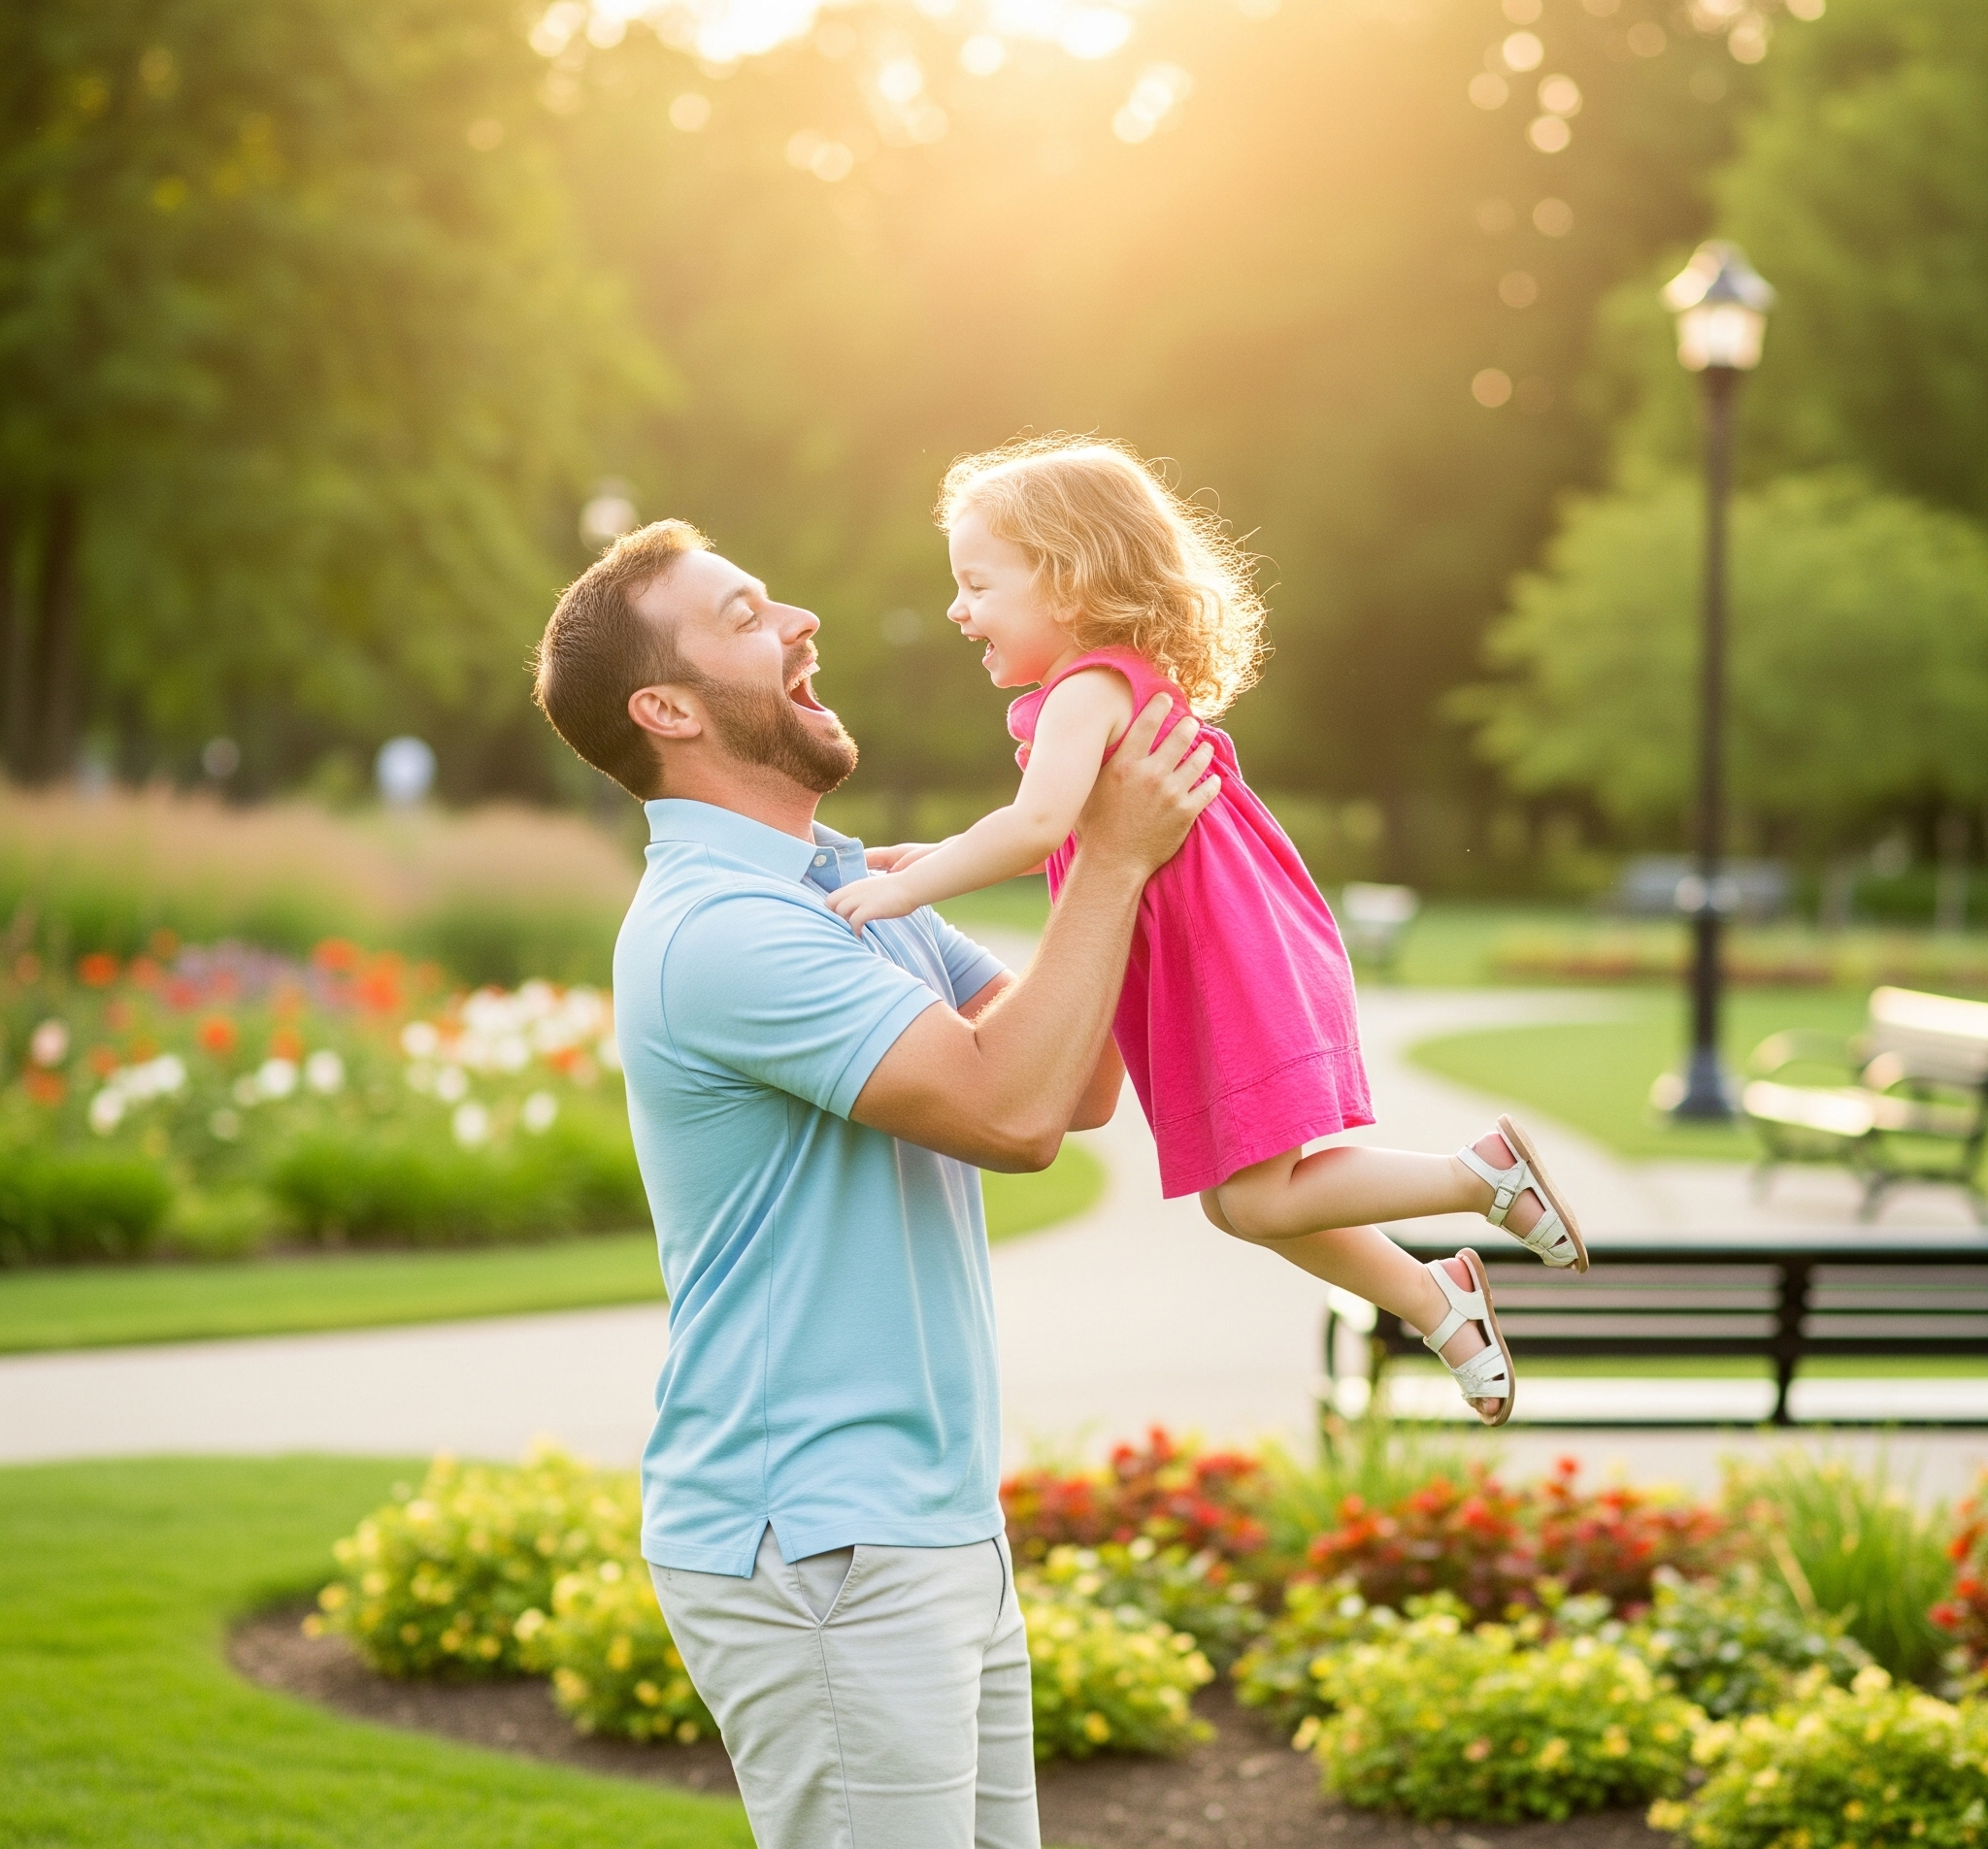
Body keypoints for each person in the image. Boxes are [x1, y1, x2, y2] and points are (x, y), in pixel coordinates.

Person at [529, 515, 1218, 1849]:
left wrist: (1093, 851)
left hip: (928, 1522)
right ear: (665, 707)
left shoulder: (842, 887)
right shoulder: (725, 929)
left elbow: (1074, 1082)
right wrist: (1117, 855)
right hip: (823, 1539)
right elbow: (1012, 1115)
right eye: (742, 614)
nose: (799, 621)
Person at [825, 435, 1593, 1428]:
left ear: (1064, 581)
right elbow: (1053, 839)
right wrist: (923, 858)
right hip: (1223, 950)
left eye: (977, 584)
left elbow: (1036, 826)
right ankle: (1434, 1298)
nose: (955, 609)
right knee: (1240, 1204)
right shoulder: (1109, 685)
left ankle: (1475, 1178)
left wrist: (903, 890)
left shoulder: (1084, 692)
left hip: (1219, 962)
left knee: (1254, 1202)